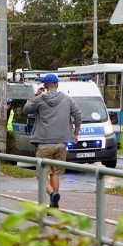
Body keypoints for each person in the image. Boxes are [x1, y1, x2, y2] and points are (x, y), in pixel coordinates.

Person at [23, 74, 81, 209]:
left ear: (44, 86)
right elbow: (78, 115)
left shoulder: (40, 99)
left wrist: (36, 95)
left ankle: (53, 194)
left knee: (42, 175)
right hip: (62, 143)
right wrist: (76, 133)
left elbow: (26, 109)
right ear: (57, 85)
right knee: (55, 173)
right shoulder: (67, 99)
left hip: (44, 143)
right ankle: (54, 206)